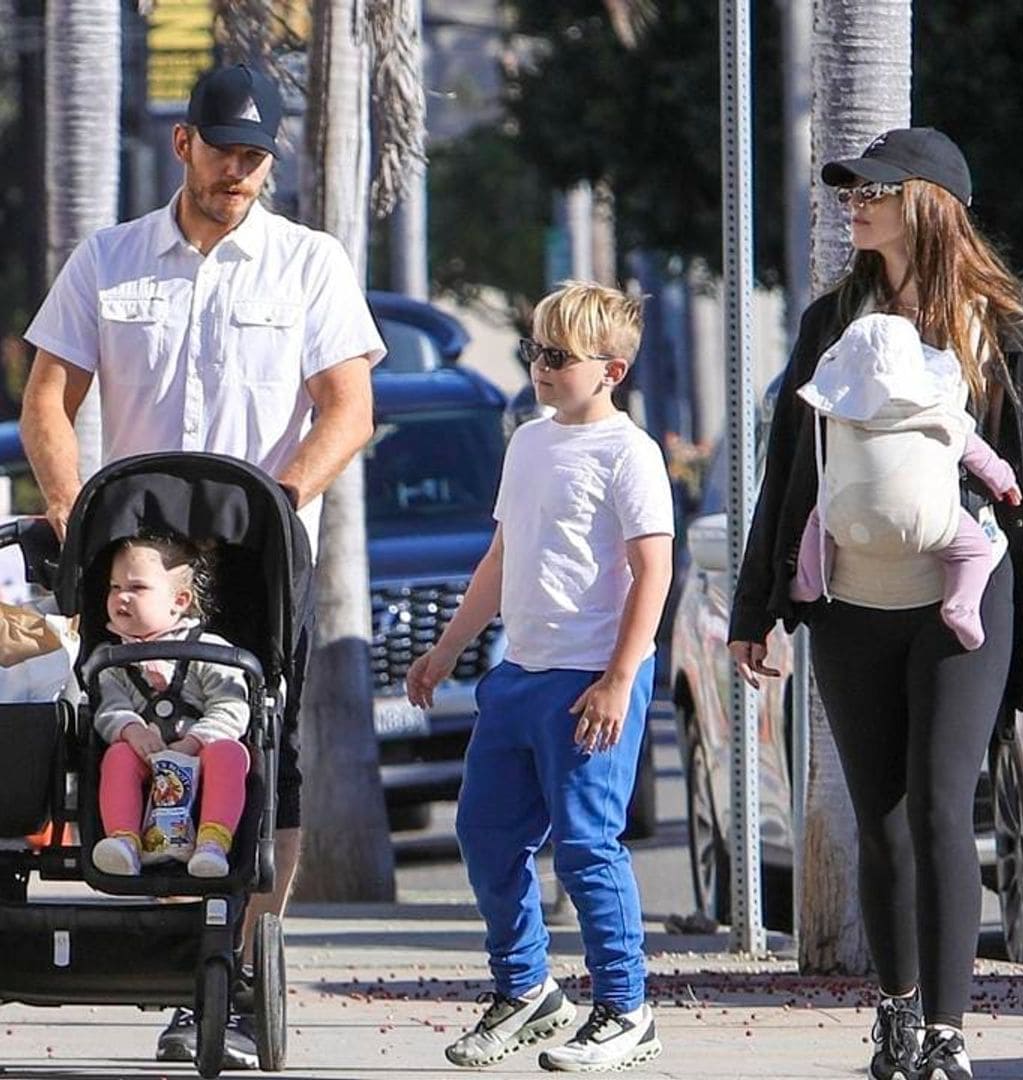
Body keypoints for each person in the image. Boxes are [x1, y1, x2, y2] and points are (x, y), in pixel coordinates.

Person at [19, 63, 385, 1069]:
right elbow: (47, 398)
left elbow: (346, 408)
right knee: (130, 734)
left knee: (267, 753)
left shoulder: (308, 263)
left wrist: (278, 505)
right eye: (225, 149)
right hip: (134, 553)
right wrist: (71, 509)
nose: (241, 170)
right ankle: (182, 958)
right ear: (184, 145)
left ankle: (246, 965)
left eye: (258, 155)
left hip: (257, 548)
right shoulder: (112, 258)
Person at [728, 127, 1023, 1080]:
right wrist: (756, 611)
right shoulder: (829, 322)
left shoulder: (1000, 334)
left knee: (937, 807)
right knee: (877, 817)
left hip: (969, 596)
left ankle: (950, 1031)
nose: (856, 202)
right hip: (849, 599)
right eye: (849, 190)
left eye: (874, 189)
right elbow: (788, 476)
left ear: (930, 202)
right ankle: (897, 1011)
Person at [406, 281, 673, 1073]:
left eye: (559, 356)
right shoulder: (527, 441)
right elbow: (500, 557)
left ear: (611, 370)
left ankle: (626, 1009)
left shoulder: (630, 454)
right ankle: (526, 990)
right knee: (486, 835)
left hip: (589, 681)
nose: (541, 366)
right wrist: (449, 646)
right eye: (534, 350)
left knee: (588, 849)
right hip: (518, 675)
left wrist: (620, 678)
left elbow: (653, 569)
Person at [790, 311, 1022, 650]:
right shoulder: (938, 408)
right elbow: (977, 453)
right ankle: (962, 605)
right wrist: (1005, 481)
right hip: (928, 520)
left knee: (818, 519)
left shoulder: (838, 413)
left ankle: (808, 582)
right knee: (975, 550)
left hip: (847, 520)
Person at [92, 535, 250, 880]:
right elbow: (108, 708)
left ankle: (212, 843)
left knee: (229, 753)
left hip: (199, 757)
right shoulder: (110, 662)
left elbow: (231, 706)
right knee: (117, 756)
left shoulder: (210, 651)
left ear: (178, 601)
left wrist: (195, 742)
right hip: (145, 759)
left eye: (137, 587)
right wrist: (130, 729)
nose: (121, 596)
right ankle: (125, 843)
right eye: (114, 586)